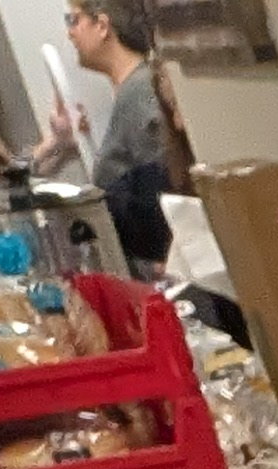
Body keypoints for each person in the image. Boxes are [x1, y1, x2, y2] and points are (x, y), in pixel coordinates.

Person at [31, 0, 175, 270]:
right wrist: (58, 143)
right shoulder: (130, 93)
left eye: (74, 20)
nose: (69, 33)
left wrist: (169, 259)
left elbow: (165, 187)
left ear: (102, 25)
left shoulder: (139, 93)